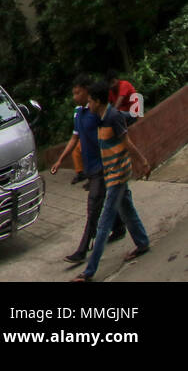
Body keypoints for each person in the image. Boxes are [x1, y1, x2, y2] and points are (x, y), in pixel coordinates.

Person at [73, 79, 151, 282]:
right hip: (111, 173)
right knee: (127, 209)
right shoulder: (99, 117)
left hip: (117, 175)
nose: (87, 104)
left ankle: (89, 273)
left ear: (98, 101)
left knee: (104, 224)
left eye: (90, 100)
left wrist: (142, 162)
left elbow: (127, 143)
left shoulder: (113, 117)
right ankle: (142, 243)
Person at [50, 75, 123, 264]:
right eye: (73, 93)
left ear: (87, 91)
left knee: (93, 208)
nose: (75, 97)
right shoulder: (78, 113)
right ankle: (120, 226)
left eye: (78, 92)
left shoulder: (98, 111)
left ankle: (82, 250)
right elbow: (75, 138)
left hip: (103, 165)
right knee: (118, 200)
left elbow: (115, 131)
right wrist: (60, 160)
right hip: (91, 168)